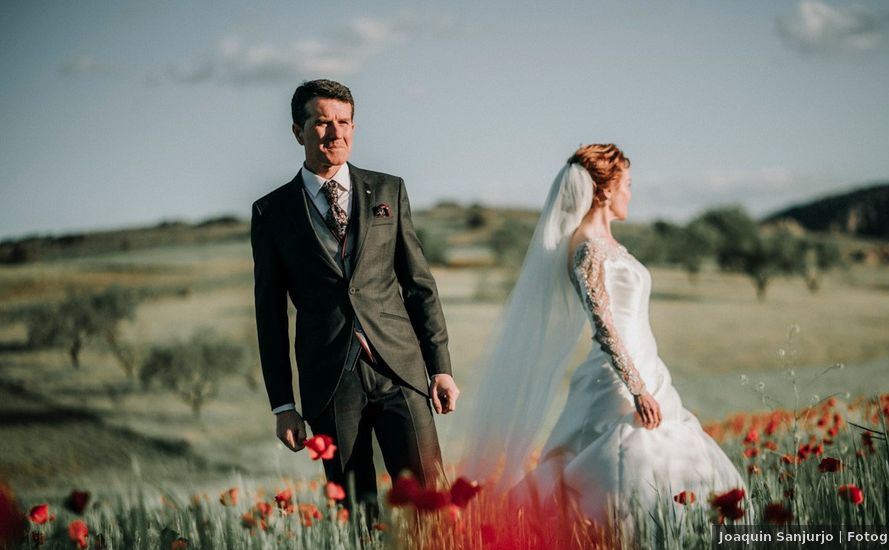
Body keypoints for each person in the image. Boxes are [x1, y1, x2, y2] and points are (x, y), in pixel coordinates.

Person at [458, 144, 743, 525]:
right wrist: (638, 387)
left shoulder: (609, 245)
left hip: (647, 368)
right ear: (605, 190)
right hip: (620, 379)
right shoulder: (588, 248)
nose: (630, 192)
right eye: (627, 183)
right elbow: (604, 325)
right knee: (623, 468)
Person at [250, 79, 460, 520]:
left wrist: (440, 367)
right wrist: (283, 405)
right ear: (297, 130)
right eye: (322, 123)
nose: (335, 133)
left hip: (400, 369)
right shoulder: (271, 212)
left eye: (344, 122)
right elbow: (269, 315)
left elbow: (419, 284)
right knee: (358, 513)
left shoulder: (389, 190)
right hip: (329, 380)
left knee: (430, 503)